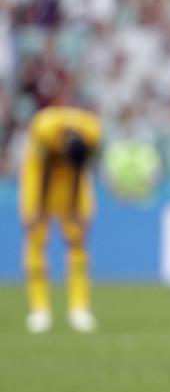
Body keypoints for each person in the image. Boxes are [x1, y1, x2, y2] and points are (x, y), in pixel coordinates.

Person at [20, 102, 103, 334]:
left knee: (78, 237)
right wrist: (38, 211)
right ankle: (39, 309)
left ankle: (79, 308)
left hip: (72, 181)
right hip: (39, 175)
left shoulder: (92, 130)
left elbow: (79, 168)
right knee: (36, 236)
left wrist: (76, 209)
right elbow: (45, 170)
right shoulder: (44, 127)